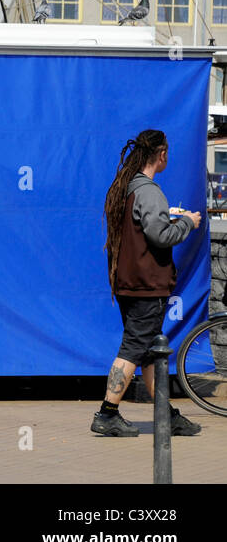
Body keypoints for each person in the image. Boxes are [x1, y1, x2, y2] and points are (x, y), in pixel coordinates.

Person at [94, 129, 203, 437]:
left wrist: (169, 217)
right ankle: (107, 413)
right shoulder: (150, 191)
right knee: (134, 347)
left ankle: (166, 413)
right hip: (146, 284)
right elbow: (160, 235)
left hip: (128, 281)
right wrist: (186, 223)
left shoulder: (127, 187)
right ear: (162, 154)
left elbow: (145, 228)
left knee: (150, 349)